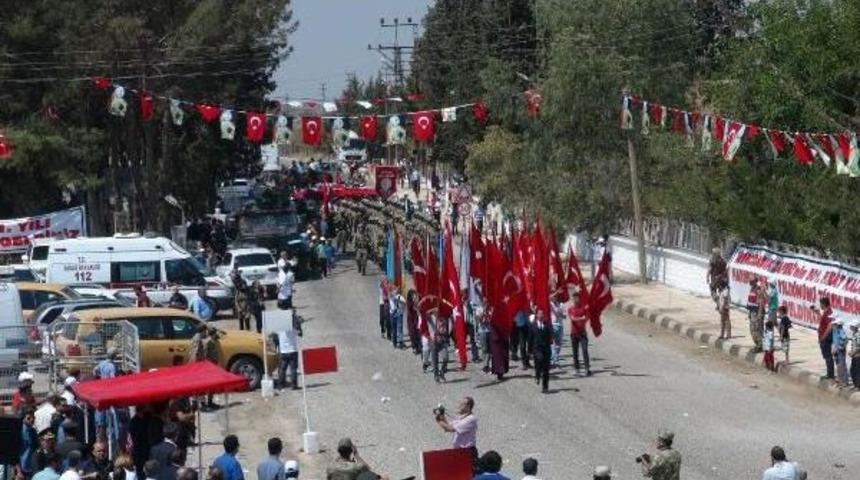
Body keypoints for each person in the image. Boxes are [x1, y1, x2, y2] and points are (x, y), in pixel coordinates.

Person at [435, 397, 477, 464]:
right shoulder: (461, 417)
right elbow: (448, 425)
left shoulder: (471, 419)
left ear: (468, 406)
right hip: (459, 451)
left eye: (462, 404)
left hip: (467, 452)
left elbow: (450, 429)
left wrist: (438, 420)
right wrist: (442, 415)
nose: (459, 406)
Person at [811, 296, 835, 380]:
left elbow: (830, 325)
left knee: (828, 356)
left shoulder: (828, 312)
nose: (820, 305)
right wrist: (817, 313)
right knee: (826, 356)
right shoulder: (826, 312)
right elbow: (823, 321)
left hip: (825, 338)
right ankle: (829, 373)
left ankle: (830, 374)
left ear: (824, 304)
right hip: (823, 337)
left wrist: (823, 337)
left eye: (820, 303)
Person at [528, 310, 552, 393]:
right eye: (539, 314)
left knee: (546, 369)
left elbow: (550, 336)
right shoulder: (533, 326)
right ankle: (537, 375)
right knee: (539, 361)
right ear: (536, 315)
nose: (541, 315)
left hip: (546, 349)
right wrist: (529, 351)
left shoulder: (547, 325)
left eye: (542, 314)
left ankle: (545, 387)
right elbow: (530, 339)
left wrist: (551, 340)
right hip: (537, 349)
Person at [568, 293, 591, 375]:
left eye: (576, 298)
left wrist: (580, 318)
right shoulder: (570, 309)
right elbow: (572, 318)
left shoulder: (583, 308)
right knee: (575, 352)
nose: (575, 300)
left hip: (582, 333)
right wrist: (581, 318)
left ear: (579, 298)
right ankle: (576, 368)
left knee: (585, 350)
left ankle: (587, 368)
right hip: (574, 333)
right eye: (574, 298)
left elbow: (586, 317)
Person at [275, 321, 300, 390]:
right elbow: (300, 333)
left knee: (282, 369)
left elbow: (275, 336)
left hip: (283, 351)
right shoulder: (293, 329)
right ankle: (294, 385)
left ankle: (281, 385)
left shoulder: (279, 329)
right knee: (293, 369)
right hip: (293, 351)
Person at [20, 406, 38, 477]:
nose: (32, 420)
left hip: (30, 466)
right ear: (23, 418)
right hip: (21, 467)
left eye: (33, 418)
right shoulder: (19, 431)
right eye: (29, 418)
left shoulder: (33, 431)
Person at [832, 318, 849, 386]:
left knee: (842, 365)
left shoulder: (841, 331)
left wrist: (842, 347)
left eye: (835, 324)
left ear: (838, 325)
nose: (833, 325)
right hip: (836, 350)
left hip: (840, 350)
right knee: (838, 365)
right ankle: (840, 380)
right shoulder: (835, 331)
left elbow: (846, 340)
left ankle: (845, 381)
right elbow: (834, 340)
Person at [549, 295, 565, 368]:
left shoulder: (561, 304)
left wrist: (561, 314)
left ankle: (556, 359)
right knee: (553, 343)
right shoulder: (549, 304)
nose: (554, 298)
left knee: (559, 344)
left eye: (555, 296)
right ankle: (553, 360)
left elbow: (564, 315)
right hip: (553, 325)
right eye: (553, 296)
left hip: (560, 325)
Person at [746, 279, 762, 350]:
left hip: (756, 312)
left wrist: (759, 313)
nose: (750, 282)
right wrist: (749, 313)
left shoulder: (758, 289)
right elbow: (750, 302)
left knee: (755, 329)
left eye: (751, 281)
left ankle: (759, 345)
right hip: (752, 311)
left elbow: (761, 302)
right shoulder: (751, 288)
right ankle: (757, 344)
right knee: (752, 329)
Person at [388, 284, 405, 349]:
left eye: (395, 289)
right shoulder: (391, 295)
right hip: (392, 313)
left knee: (400, 328)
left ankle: (400, 342)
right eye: (393, 289)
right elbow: (390, 294)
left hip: (398, 313)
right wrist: (394, 292)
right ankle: (394, 342)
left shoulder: (400, 297)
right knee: (394, 328)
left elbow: (404, 303)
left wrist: (402, 309)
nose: (394, 290)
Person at [849, 323, 860, 389]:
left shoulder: (858, 335)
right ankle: (856, 385)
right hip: (854, 355)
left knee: (857, 371)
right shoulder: (854, 335)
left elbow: (859, 347)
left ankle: (858, 386)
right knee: (853, 370)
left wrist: (853, 353)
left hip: (857, 356)